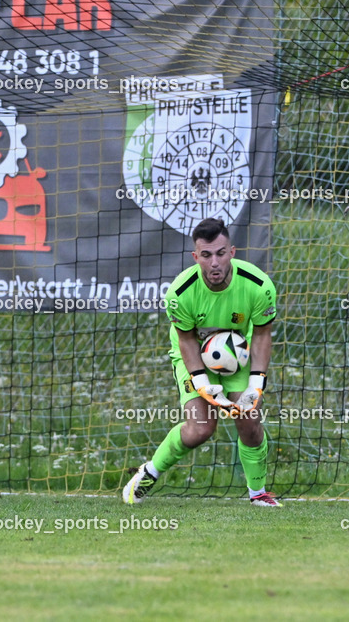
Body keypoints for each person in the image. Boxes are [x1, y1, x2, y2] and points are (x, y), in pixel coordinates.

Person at [123, 217, 281, 507]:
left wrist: (257, 383)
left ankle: (258, 494)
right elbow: (185, 340)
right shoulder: (180, 294)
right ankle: (149, 473)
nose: (215, 263)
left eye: (221, 253)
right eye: (206, 255)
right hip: (194, 356)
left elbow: (261, 335)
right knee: (200, 428)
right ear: (196, 257)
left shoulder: (259, 286)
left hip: (237, 358)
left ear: (232, 252)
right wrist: (202, 382)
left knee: (249, 422)